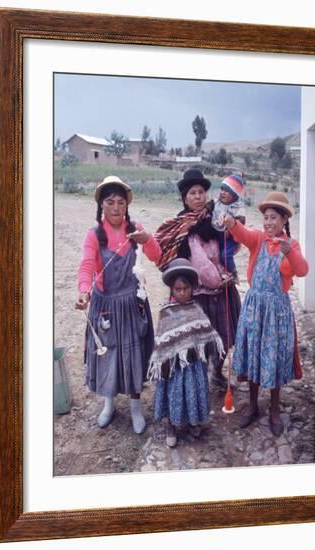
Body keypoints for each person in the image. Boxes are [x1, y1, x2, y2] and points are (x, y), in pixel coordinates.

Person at [76, 176, 161, 434]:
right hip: (106, 306)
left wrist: (147, 238)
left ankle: (136, 408)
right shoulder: (94, 235)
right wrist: (83, 291)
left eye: (120, 202)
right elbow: (87, 265)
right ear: (101, 205)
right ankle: (109, 404)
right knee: (109, 355)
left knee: (133, 355)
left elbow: (157, 256)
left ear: (127, 205)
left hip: (133, 304)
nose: (115, 208)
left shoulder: (135, 229)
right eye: (110, 202)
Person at [222, 191, 309, 436]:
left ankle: (273, 409)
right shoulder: (259, 239)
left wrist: (289, 251)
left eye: (273, 218)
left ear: (284, 221)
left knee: (274, 359)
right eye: (266, 218)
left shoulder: (291, 245)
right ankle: (252, 406)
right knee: (252, 356)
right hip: (254, 308)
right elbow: (243, 234)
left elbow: (302, 270)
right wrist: (231, 223)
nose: (269, 222)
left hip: (276, 313)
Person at [155, 168, 242, 391]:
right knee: (200, 338)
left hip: (223, 286)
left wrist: (227, 271)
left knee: (224, 334)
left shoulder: (215, 217)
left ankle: (218, 372)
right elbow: (198, 259)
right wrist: (216, 279)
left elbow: (229, 244)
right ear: (185, 197)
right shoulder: (182, 225)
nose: (197, 197)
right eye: (192, 193)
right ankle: (199, 378)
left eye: (201, 192)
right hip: (199, 291)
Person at [148, 259, 225, 447]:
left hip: (194, 367)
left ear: (192, 288)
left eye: (185, 288)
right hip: (174, 369)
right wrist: (164, 361)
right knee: (175, 393)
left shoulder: (196, 309)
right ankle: (172, 426)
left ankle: (192, 421)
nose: (182, 292)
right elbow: (162, 342)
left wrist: (210, 346)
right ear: (172, 290)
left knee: (193, 392)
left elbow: (206, 334)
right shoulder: (166, 313)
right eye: (177, 289)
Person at [211, 173, 246, 279]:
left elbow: (240, 222)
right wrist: (205, 209)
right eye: (222, 189)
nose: (222, 193)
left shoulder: (238, 207)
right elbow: (209, 207)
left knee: (225, 255)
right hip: (217, 234)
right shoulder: (217, 202)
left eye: (227, 191)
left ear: (235, 195)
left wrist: (230, 228)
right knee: (215, 255)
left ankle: (233, 272)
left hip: (231, 238)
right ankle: (221, 273)